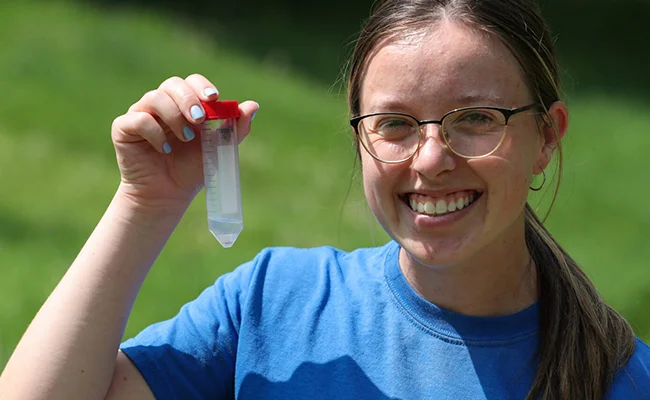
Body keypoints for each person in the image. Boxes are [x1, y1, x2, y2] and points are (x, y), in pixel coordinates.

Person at [1, 0, 649, 398]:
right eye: (395, 124)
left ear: (545, 138)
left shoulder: (623, 380)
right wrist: (144, 207)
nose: (430, 158)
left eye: (476, 118)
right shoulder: (272, 307)